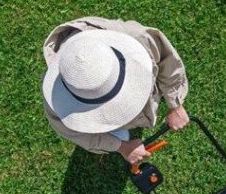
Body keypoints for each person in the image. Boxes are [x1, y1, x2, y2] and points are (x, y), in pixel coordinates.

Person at [41, 16, 189, 164]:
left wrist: (175, 104)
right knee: (121, 136)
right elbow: (75, 133)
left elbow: (168, 60)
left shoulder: (138, 38)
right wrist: (121, 146)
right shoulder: (55, 103)